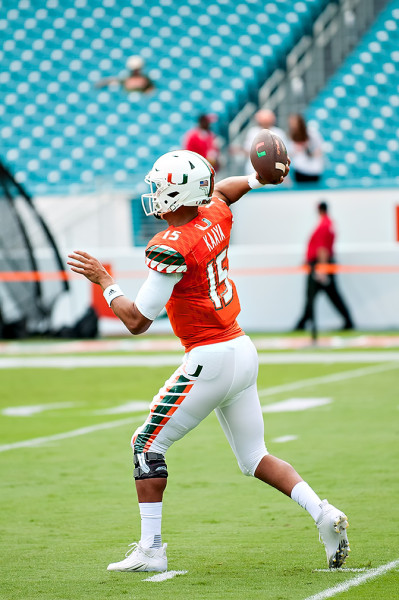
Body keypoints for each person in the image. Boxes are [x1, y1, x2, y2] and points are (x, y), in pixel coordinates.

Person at [67, 151, 350, 573]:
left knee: (146, 445)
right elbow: (224, 192)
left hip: (211, 357)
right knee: (254, 457)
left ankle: (151, 550)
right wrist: (256, 179)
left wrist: (105, 282)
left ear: (180, 194)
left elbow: (137, 320)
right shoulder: (213, 215)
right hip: (241, 348)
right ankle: (324, 513)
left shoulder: (173, 245)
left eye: (161, 187)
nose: (155, 194)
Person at [294, 201, 354, 332]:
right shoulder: (329, 224)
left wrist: (321, 268)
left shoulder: (323, 225)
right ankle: (302, 323)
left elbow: (322, 249)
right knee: (328, 295)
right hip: (322, 264)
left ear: (319, 210)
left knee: (313, 295)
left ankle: (302, 323)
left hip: (319, 265)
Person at [242, 109, 289, 174]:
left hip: (275, 169)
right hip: (254, 169)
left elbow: (285, 152)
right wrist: (265, 154)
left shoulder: (279, 133)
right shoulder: (253, 132)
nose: (266, 121)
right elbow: (249, 151)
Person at [287, 114, 324, 183]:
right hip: (300, 169)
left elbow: (319, 150)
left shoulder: (312, 134)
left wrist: (308, 149)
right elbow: (290, 153)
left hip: (313, 169)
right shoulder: (291, 137)